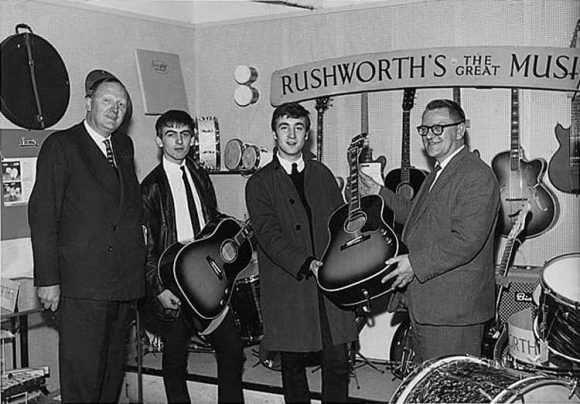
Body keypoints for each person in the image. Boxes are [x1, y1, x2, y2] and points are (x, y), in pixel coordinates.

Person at [28, 72, 146, 403]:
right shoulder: (62, 145)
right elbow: (43, 217)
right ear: (88, 103)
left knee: (111, 377)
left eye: (121, 104)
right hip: (82, 286)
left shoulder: (123, 145)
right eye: (107, 101)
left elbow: (126, 211)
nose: (115, 109)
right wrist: (48, 280)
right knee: (82, 381)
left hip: (122, 284)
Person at [359, 98, 500, 363]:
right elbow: (416, 216)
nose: (429, 136)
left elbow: (467, 240)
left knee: (450, 391)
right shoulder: (441, 171)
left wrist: (414, 262)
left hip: (453, 312)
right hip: (430, 305)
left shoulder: (476, 175)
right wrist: (379, 192)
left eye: (438, 128)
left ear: (460, 131)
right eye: (424, 129)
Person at [245, 102, 357, 403]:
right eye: (284, 127)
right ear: (274, 134)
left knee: (336, 361)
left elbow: (339, 225)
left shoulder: (322, 173)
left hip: (328, 286)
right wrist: (306, 263)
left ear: (307, 134)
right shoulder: (259, 183)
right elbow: (268, 235)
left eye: (298, 128)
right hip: (288, 286)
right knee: (292, 367)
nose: (291, 135)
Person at [140, 110, 244, 404]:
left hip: (209, 277)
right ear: (159, 140)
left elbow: (211, 219)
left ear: (193, 139)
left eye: (185, 134)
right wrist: (158, 289)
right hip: (173, 284)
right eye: (171, 134)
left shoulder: (199, 175)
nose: (179, 141)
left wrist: (236, 228)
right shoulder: (150, 187)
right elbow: (145, 246)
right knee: (174, 362)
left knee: (232, 351)